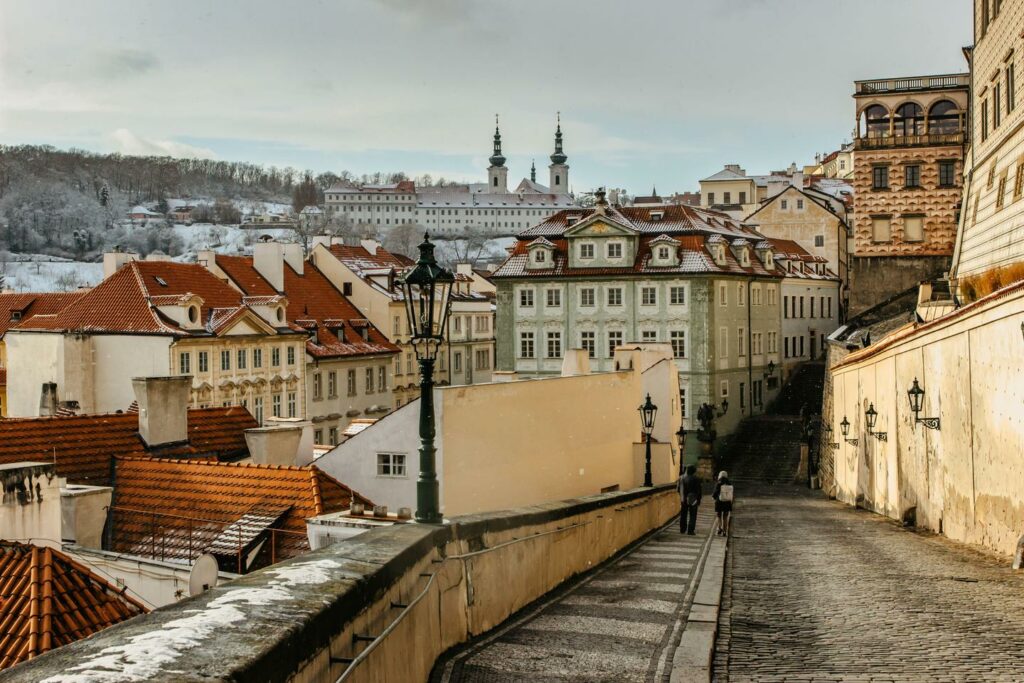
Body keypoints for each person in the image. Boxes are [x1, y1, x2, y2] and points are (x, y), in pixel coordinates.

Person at [678, 465, 702, 535]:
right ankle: (690, 530)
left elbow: (678, 489)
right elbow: (699, 491)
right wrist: (699, 499)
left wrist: (682, 496)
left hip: (683, 499)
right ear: (693, 471)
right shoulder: (696, 479)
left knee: (683, 514)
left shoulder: (681, 478)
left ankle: (682, 529)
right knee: (693, 515)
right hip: (693, 499)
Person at [713, 471, 734, 536]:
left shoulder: (718, 483)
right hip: (727, 502)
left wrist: (713, 497)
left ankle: (719, 528)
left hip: (719, 502)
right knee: (725, 516)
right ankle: (725, 531)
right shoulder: (730, 483)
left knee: (719, 516)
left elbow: (715, 493)